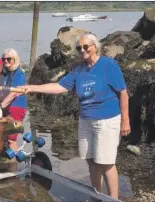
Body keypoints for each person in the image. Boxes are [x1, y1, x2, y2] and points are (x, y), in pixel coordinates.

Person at [19, 33, 131, 200]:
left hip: (107, 120)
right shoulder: (79, 70)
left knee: (106, 163)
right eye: (79, 48)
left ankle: (113, 198)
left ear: (95, 47)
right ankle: (96, 196)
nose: (82, 50)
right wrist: (33, 87)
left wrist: (125, 120)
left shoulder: (108, 65)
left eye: (86, 46)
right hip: (86, 120)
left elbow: (123, 93)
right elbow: (58, 86)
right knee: (91, 161)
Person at [0, 48, 27, 151]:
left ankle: (14, 163)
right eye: (3, 59)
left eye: (9, 59)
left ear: (15, 59)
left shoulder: (19, 73)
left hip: (16, 107)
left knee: (11, 139)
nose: (6, 61)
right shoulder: (3, 74)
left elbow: (14, 93)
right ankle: (1, 160)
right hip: (3, 107)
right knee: (0, 137)